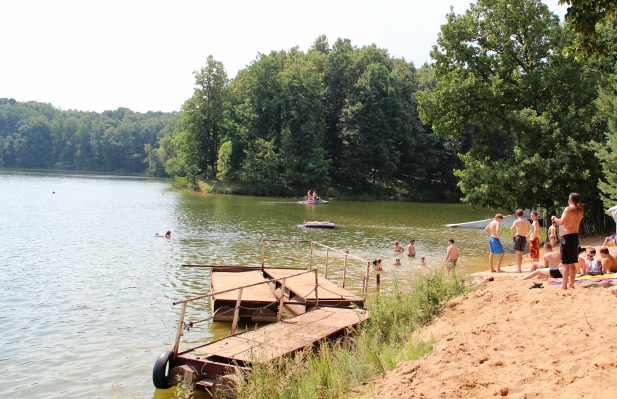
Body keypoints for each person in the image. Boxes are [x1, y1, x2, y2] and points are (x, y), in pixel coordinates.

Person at [552, 193, 585, 290]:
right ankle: (571, 284)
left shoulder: (569, 209)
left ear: (570, 200)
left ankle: (564, 286)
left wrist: (554, 218)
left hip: (567, 237)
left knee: (565, 263)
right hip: (574, 236)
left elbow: (561, 222)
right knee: (572, 263)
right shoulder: (580, 210)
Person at [510, 209, 532, 273]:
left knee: (517, 254)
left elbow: (511, 229)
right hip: (524, 238)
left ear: (517, 214)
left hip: (518, 237)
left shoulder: (517, 221)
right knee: (521, 254)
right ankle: (520, 268)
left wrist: (512, 236)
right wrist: (527, 235)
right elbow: (532, 229)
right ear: (523, 214)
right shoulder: (526, 221)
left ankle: (519, 269)